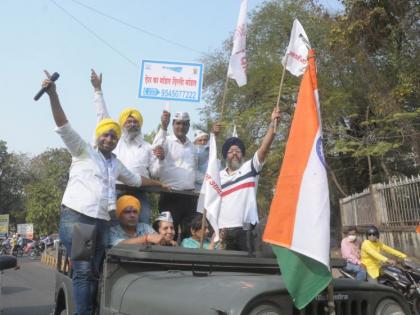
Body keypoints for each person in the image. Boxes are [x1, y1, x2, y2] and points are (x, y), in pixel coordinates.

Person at [40, 70, 169, 315]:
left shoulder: (115, 163)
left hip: (101, 222)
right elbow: (63, 125)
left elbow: (135, 179)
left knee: (97, 270)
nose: (110, 138)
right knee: (82, 271)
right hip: (79, 220)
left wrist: (159, 184)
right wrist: (53, 95)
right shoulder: (82, 150)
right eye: (106, 134)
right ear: (98, 136)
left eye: (113, 135)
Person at [91, 69, 159, 224]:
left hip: (140, 192)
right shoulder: (114, 141)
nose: (132, 124)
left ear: (140, 124)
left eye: (135, 122)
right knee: (112, 224)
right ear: (122, 125)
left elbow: (155, 172)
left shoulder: (147, 146)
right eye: (129, 122)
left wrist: (160, 159)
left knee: (143, 221)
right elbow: (103, 117)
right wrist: (97, 90)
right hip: (115, 191)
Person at [217, 106, 281, 251]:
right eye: (230, 151)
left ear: (243, 155)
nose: (234, 154)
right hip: (223, 233)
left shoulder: (250, 168)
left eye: (238, 151)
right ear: (225, 156)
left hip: (246, 231)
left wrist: (272, 124)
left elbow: (264, 149)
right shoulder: (218, 177)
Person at [152, 110, 198, 240]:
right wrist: (163, 126)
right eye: (178, 123)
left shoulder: (192, 146)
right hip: (170, 195)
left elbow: (194, 170)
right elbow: (156, 146)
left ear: (188, 126)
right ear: (173, 124)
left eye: (184, 124)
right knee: (167, 233)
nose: (181, 127)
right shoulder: (166, 140)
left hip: (189, 196)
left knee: (189, 234)